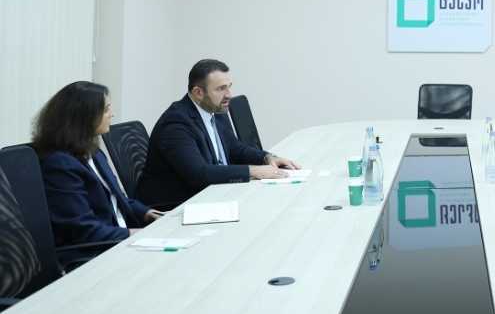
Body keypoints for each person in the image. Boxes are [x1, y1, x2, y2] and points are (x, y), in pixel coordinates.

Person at [137, 59, 298, 207]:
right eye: (221, 89)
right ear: (198, 93)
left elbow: (235, 149)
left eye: (229, 86)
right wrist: (254, 171)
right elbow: (199, 174)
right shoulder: (176, 123)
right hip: (175, 207)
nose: (229, 95)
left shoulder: (215, 109)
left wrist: (267, 158)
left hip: (213, 194)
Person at [32, 81, 162, 262]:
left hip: (118, 239)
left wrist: (147, 213)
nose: (112, 114)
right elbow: (82, 229)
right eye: (106, 109)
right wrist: (133, 234)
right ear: (84, 116)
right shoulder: (59, 165)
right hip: (95, 252)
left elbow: (117, 198)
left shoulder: (93, 152)